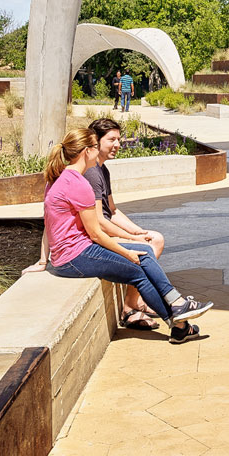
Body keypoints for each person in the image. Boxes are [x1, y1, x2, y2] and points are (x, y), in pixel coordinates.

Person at [31, 128, 211, 343]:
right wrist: (127, 251)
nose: (99, 152)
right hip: (75, 258)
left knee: (143, 254)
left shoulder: (56, 178)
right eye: (96, 147)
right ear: (87, 151)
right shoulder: (80, 185)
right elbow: (96, 234)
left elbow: (48, 224)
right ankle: (178, 312)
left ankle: (179, 319)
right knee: (139, 264)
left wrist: (44, 261)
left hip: (66, 256)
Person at [85, 116, 167, 329]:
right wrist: (133, 238)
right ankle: (130, 308)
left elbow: (112, 210)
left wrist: (139, 230)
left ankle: (137, 301)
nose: (117, 145)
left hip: (105, 228)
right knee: (147, 246)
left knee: (154, 238)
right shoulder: (92, 172)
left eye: (119, 139)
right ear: (96, 141)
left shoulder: (103, 169)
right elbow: (100, 221)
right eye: (111, 139)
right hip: (95, 238)